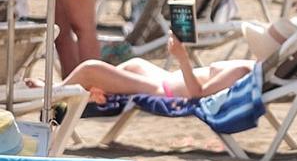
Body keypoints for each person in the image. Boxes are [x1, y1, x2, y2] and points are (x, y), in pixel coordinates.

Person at [31, 34, 253, 103]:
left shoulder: (242, 71)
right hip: (165, 79)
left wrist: (182, 58)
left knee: (91, 69)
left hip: (165, 91)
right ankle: (87, 94)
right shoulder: (250, 68)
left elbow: (198, 94)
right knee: (135, 64)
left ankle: (54, 94)